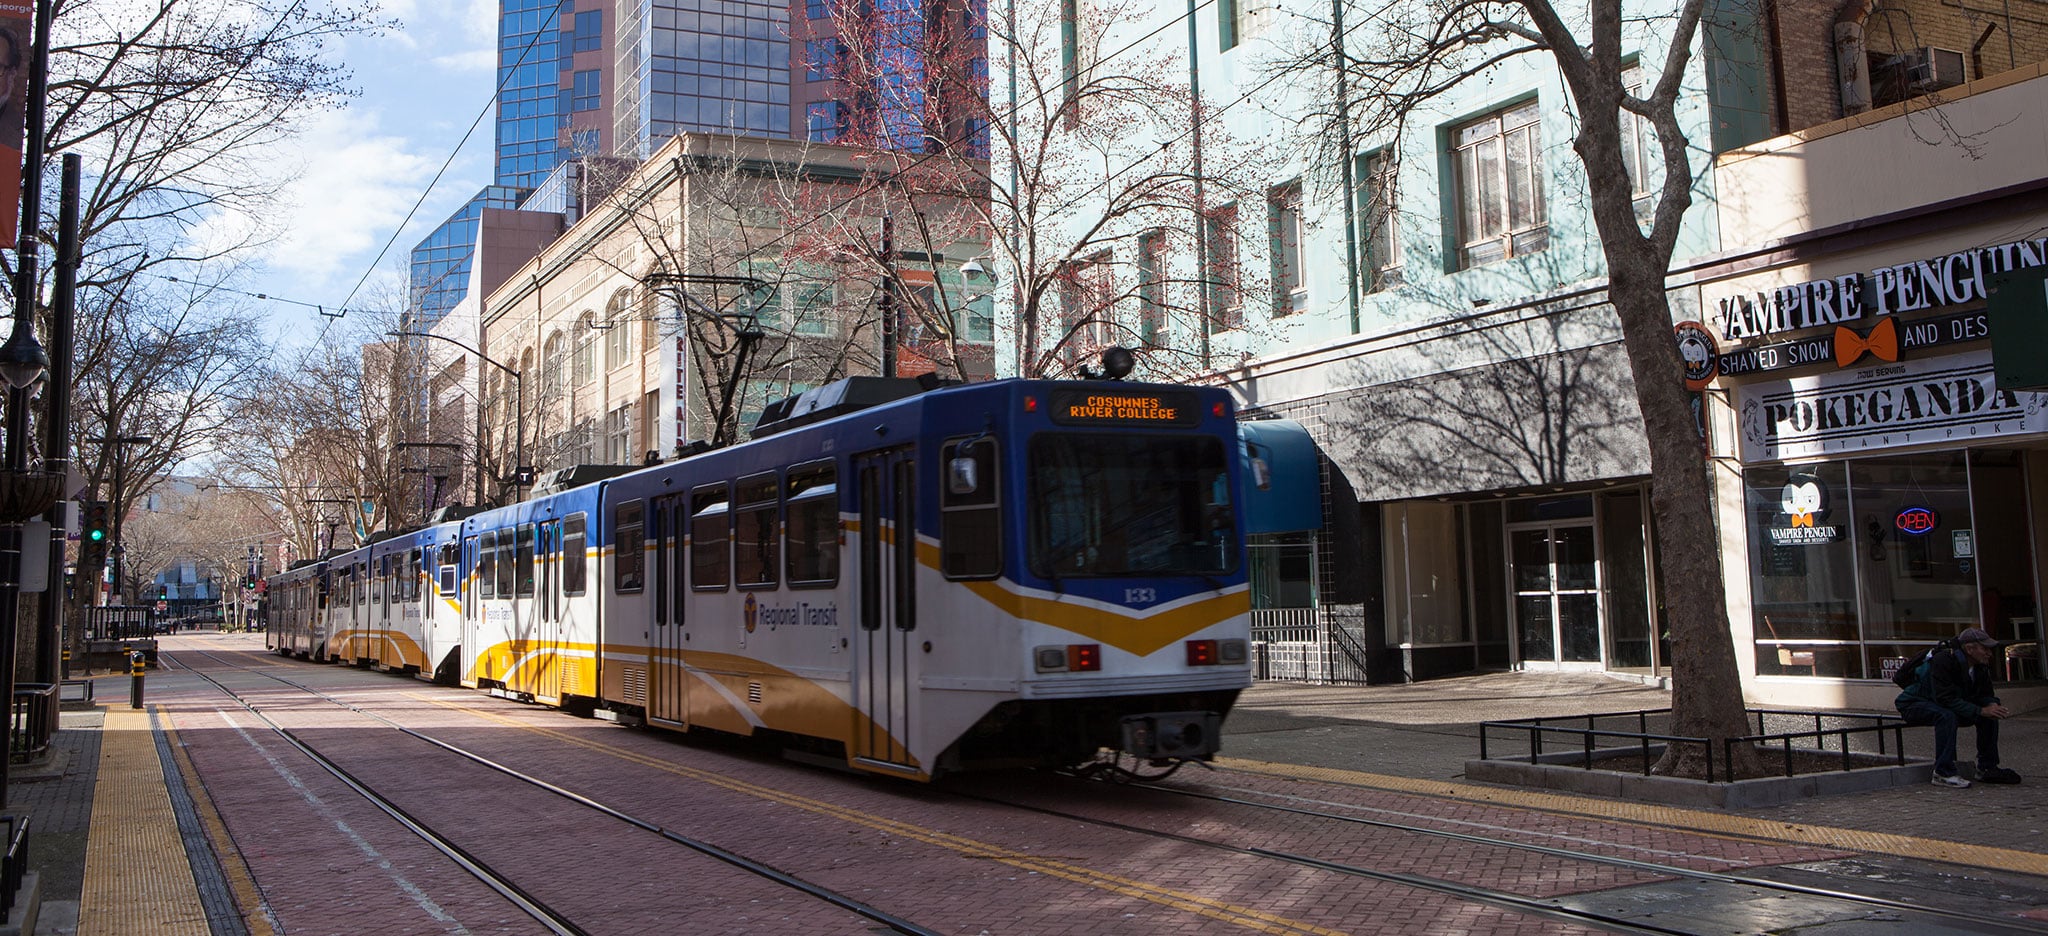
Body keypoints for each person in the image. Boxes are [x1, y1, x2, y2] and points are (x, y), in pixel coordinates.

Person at [1896, 627, 2021, 788]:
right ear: (1969, 649)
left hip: (1943, 703)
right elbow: (1944, 698)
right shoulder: (1943, 660)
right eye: (1985, 649)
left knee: (1988, 717)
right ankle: (1943, 772)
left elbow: (1985, 693)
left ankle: (1987, 768)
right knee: (1946, 716)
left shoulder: (1980, 666)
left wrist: (1991, 704)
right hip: (1914, 704)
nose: (1989, 653)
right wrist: (1980, 710)